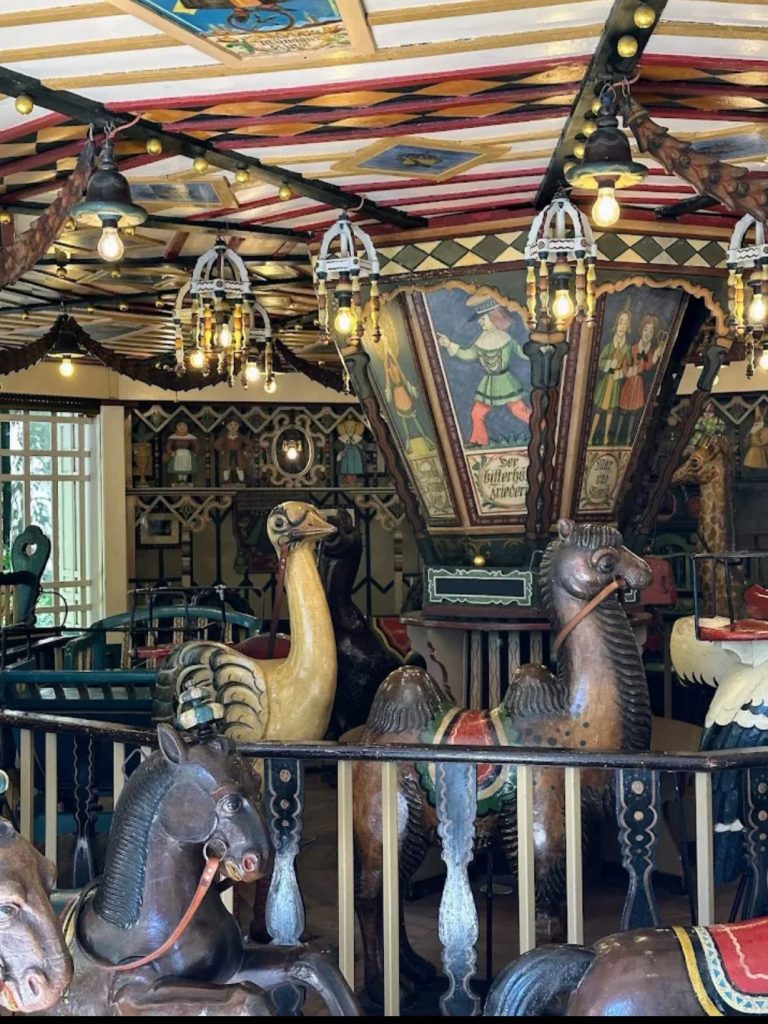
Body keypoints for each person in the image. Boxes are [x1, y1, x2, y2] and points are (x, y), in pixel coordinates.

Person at [437, 293, 530, 448]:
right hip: (489, 384)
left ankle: (542, 428)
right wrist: (449, 344)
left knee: (519, 411)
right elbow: (468, 354)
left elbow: (522, 353)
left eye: (483, 318)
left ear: (494, 318)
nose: (480, 322)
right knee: (477, 413)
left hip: (506, 383)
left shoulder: (506, 339)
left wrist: (537, 350)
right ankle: (479, 441)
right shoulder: (480, 340)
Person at [615, 313, 661, 445]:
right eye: (646, 329)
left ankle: (629, 438)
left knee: (633, 414)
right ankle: (616, 435)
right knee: (623, 411)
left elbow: (648, 366)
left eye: (651, 331)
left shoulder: (649, 351)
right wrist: (628, 372)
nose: (648, 333)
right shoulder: (633, 348)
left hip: (639, 385)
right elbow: (625, 364)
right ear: (641, 330)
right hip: (630, 382)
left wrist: (655, 357)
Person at [590, 301, 632, 445]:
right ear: (616, 324)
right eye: (621, 322)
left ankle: (605, 437)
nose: (622, 325)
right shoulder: (609, 345)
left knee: (610, 411)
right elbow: (601, 361)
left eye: (625, 323)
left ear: (628, 327)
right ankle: (591, 436)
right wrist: (610, 365)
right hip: (606, 382)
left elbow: (628, 364)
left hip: (615, 383)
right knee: (598, 410)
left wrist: (622, 371)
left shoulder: (627, 348)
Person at [214, 419, 252, 484]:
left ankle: (241, 481)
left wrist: (245, 450)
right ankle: (226, 481)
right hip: (227, 454)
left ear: (238, 426)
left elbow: (250, 443)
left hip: (238, 455)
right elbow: (216, 444)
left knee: (240, 469)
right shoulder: (225, 437)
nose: (233, 427)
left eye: (235, 425)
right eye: (231, 425)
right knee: (226, 468)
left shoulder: (240, 436)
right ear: (227, 426)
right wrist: (222, 450)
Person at [164, 421, 198, 485]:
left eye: (184, 425)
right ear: (176, 427)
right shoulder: (173, 437)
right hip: (177, 454)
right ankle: (180, 479)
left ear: (187, 427)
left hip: (187, 454)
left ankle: (184, 480)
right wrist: (170, 452)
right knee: (178, 466)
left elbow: (195, 445)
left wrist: (195, 452)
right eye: (179, 425)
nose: (182, 427)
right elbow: (168, 445)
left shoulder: (190, 436)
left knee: (186, 466)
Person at [744, 405, 768, 470]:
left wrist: (753, 439)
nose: (757, 421)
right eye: (756, 419)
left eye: (759, 419)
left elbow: (763, 441)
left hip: (761, 452)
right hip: (753, 451)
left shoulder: (765, 430)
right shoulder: (753, 429)